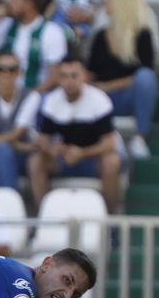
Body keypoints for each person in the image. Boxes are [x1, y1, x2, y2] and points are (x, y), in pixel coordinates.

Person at [28, 56, 121, 211]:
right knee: (35, 162)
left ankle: (110, 221)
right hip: (63, 159)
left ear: (84, 76)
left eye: (74, 75)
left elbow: (109, 143)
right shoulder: (51, 102)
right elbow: (43, 140)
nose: (69, 81)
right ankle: (44, 218)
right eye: (64, 76)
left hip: (92, 159)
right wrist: (52, 150)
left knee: (112, 162)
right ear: (58, 78)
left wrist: (82, 153)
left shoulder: (99, 100)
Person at [85, 0, 158, 158]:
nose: (105, 3)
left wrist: (108, 86)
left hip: (127, 97)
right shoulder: (101, 36)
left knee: (146, 78)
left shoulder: (143, 35)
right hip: (102, 97)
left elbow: (144, 73)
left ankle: (140, 137)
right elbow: (91, 71)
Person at [0, 0, 69, 91]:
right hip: (5, 95)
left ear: (29, 4)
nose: (8, 2)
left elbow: (54, 77)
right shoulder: (5, 25)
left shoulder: (52, 32)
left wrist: (28, 98)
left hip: (38, 95)